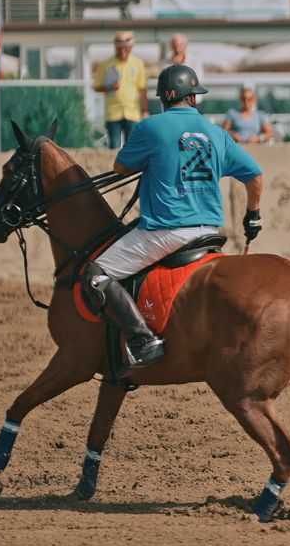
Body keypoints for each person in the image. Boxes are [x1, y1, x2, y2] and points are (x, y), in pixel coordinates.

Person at [87, 65, 264, 367]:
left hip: (166, 232)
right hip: (209, 231)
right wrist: (253, 216)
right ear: (192, 98)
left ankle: (142, 340)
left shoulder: (149, 127)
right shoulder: (217, 133)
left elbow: (121, 168)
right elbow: (255, 175)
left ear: (163, 98)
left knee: (96, 273)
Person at [93, 30, 148, 149]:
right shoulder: (105, 64)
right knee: (114, 147)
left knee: (132, 147)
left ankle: (131, 168)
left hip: (132, 112)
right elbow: (96, 86)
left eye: (125, 48)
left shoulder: (138, 63)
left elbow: (142, 88)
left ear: (131, 47)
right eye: (119, 48)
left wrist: (144, 110)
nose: (122, 51)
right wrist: (109, 87)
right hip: (113, 113)